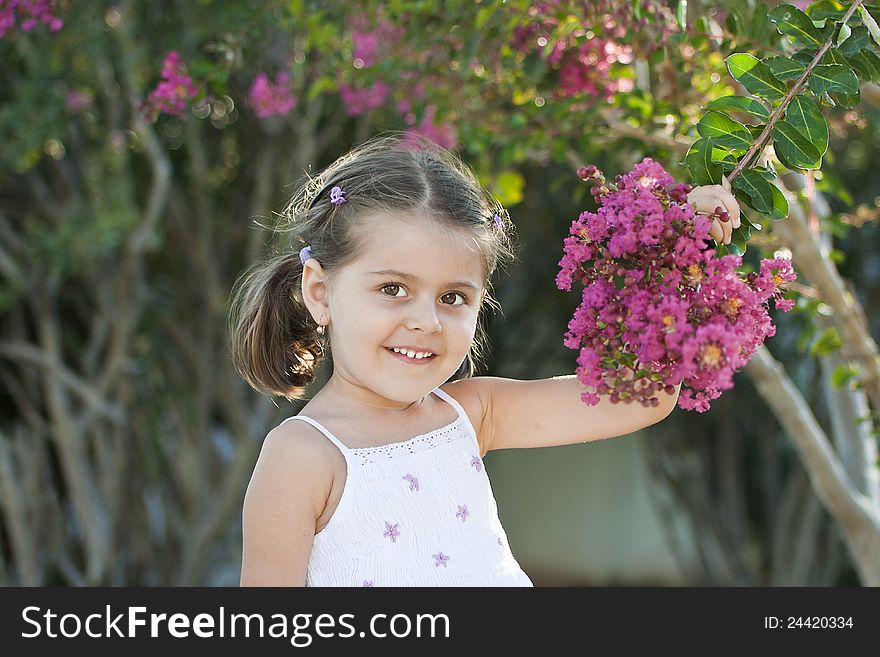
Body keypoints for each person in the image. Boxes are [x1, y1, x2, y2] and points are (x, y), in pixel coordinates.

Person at [228, 132, 741, 587]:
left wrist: (676, 246)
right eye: (392, 288)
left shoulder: (472, 413)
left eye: (453, 297)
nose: (426, 321)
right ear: (319, 291)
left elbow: (642, 396)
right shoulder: (302, 456)